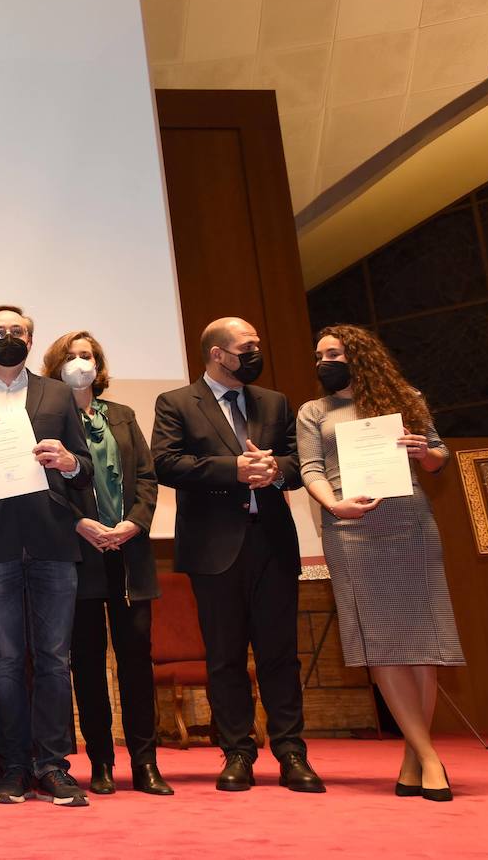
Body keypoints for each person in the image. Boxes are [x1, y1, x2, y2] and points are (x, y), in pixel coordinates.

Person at [151, 317, 324, 794]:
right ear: (217, 354)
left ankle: (291, 752)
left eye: (256, 346)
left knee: (280, 655)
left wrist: (275, 469)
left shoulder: (274, 402)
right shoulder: (176, 403)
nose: (254, 353)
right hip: (213, 549)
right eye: (246, 347)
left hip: (271, 542)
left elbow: (297, 459)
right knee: (224, 657)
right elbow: (166, 463)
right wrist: (235, 469)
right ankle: (238, 752)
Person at [297, 324, 464, 802]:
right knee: (383, 644)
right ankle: (430, 757)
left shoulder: (404, 397)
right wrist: (334, 506)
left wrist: (422, 449)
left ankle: (416, 754)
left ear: (360, 356)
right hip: (350, 529)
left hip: (411, 525)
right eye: (319, 355)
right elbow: (310, 469)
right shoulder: (313, 411)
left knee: (421, 643)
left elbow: (437, 457)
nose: (324, 362)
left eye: (333, 353)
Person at [0, 304, 93, 807]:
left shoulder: (57, 393)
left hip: (52, 539)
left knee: (54, 659)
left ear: (30, 341)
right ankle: (11, 766)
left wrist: (71, 463)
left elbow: (85, 466)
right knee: (4, 661)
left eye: (17, 331)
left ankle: (51, 765)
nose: (8, 336)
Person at [41, 331, 172, 797]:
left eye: (88, 356)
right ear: (56, 367)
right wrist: (83, 525)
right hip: (79, 556)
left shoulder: (122, 415)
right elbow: (46, 491)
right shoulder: (48, 418)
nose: (81, 363)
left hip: (130, 555)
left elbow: (146, 476)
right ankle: (100, 761)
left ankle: (146, 763)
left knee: (137, 662)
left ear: (99, 365)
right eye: (71, 357)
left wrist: (134, 524)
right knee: (89, 664)